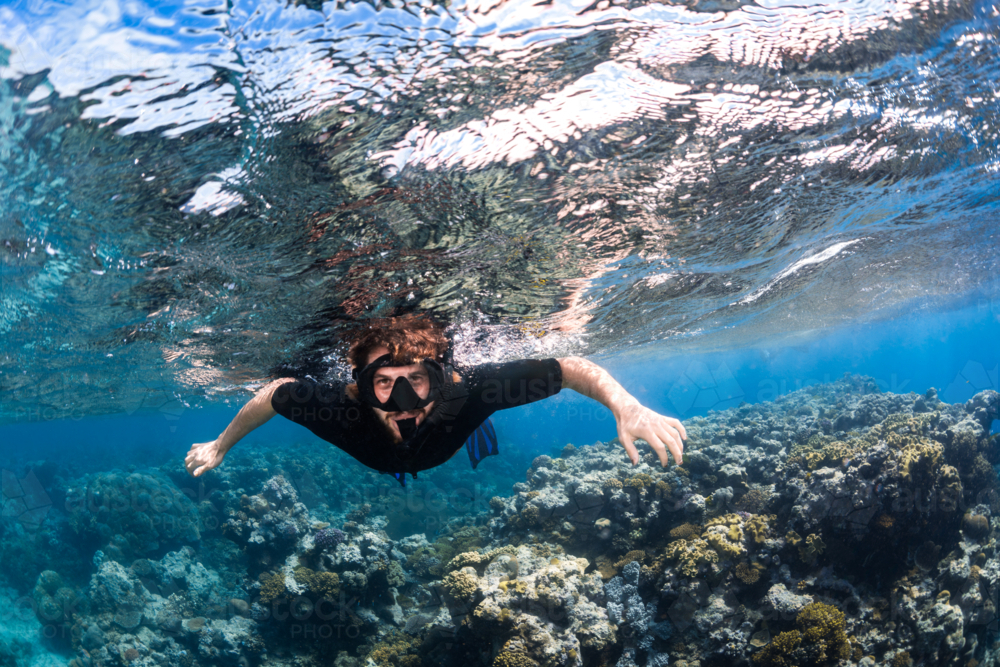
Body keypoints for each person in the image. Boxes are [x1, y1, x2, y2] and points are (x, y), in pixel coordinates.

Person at [185, 315, 686, 483]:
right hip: (387, 435)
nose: (403, 400)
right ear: (359, 387)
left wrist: (627, 406)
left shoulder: (470, 392)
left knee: (480, 405)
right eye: (385, 383)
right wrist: (221, 443)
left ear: (440, 380)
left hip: (455, 427)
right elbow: (274, 394)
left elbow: (569, 368)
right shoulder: (340, 408)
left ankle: (476, 427)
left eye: (415, 382)